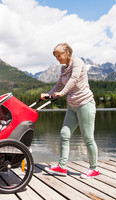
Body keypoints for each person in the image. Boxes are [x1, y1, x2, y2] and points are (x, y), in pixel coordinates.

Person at [41, 43, 99, 179]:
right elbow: (59, 84)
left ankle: (94, 168)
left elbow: (73, 80)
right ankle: (61, 167)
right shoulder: (63, 68)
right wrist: (48, 94)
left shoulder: (77, 62)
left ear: (67, 53)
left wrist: (61, 93)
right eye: (55, 56)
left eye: (58, 56)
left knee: (88, 137)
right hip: (72, 106)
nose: (57, 59)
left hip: (85, 104)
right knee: (64, 134)